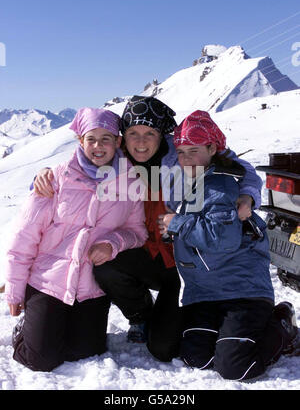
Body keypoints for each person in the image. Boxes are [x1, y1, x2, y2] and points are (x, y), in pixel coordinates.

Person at [33, 96, 263, 363]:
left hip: (182, 261)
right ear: (122, 137)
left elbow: (235, 165)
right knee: (107, 266)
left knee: (164, 349)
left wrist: (248, 195)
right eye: (132, 133)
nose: (140, 142)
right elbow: (77, 166)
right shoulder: (116, 159)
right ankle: (140, 314)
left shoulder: (179, 150)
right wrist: (45, 174)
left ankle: (181, 317)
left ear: (161, 134)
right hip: (145, 254)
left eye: (149, 133)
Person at [157, 110, 299, 380]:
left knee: (236, 367)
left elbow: (223, 239)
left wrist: (177, 224)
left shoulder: (219, 184)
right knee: (197, 358)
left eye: (193, 151)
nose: (186, 159)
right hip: (204, 293)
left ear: (212, 148)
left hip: (242, 291)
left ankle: (282, 323)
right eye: (181, 152)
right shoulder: (191, 180)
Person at [4, 108, 147, 372]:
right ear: (80, 141)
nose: (98, 146)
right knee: (40, 359)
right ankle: (29, 327)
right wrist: (14, 289)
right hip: (48, 282)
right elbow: (23, 237)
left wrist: (113, 243)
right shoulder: (55, 179)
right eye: (91, 138)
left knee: (86, 352)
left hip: (92, 287)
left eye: (106, 138)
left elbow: (138, 232)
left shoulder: (131, 183)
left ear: (117, 142)